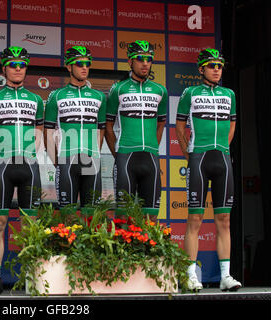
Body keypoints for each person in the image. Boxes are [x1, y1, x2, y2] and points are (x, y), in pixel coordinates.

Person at [176, 48, 241, 292]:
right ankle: (190, 275)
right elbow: (179, 127)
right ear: (201, 68)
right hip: (199, 159)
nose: (217, 69)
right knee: (194, 219)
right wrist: (189, 154)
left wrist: (222, 148)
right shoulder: (189, 93)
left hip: (222, 159)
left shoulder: (229, 94)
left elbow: (232, 126)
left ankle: (225, 276)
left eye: (220, 66)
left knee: (224, 220)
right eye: (212, 65)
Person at [0, 46, 44, 294]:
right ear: (4, 68)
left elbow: (39, 132)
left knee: (31, 224)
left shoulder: (36, 100)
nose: (18, 69)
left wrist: (32, 155)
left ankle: (30, 278)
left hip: (29, 165)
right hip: (3, 166)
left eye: (22, 65)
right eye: (13, 64)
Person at [105, 40, 168, 220]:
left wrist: (153, 148)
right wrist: (118, 153)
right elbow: (108, 127)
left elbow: (160, 124)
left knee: (151, 218)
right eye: (140, 59)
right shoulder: (118, 89)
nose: (145, 63)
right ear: (130, 61)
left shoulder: (160, 91)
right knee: (124, 218)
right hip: (125, 156)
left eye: (149, 59)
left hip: (150, 158)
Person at [44, 46, 106, 215]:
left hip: (91, 160)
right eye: (79, 63)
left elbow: (101, 130)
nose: (84, 67)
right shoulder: (56, 96)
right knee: (67, 218)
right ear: (69, 67)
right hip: (66, 161)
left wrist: (94, 154)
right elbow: (47, 131)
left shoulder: (99, 96)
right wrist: (57, 162)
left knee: (92, 218)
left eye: (87, 63)